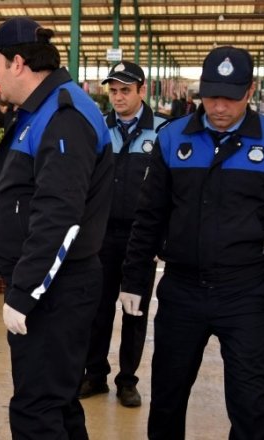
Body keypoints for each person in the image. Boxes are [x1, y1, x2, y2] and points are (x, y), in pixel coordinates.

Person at [120, 46, 264, 440]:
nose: (219, 106)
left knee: (250, 401)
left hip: (244, 293)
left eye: (230, 97)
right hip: (181, 290)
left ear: (251, 91)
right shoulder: (173, 139)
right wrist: (134, 280)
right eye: (211, 96)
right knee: (168, 397)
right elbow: (150, 216)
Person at [0, 17, 113, 439]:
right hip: (49, 285)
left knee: (36, 410)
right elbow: (25, 202)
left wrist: (25, 291)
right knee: (57, 401)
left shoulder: (64, 115)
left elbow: (59, 216)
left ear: (17, 62)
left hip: (57, 291)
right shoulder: (41, 110)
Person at [79, 60, 165, 409]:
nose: (118, 97)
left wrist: (161, 239)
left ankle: (127, 380)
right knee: (97, 310)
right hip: (100, 236)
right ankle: (94, 373)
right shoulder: (98, 129)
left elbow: (169, 192)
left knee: (135, 311)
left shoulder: (162, 132)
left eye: (125, 90)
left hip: (139, 240)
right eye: (113, 91)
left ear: (142, 91)